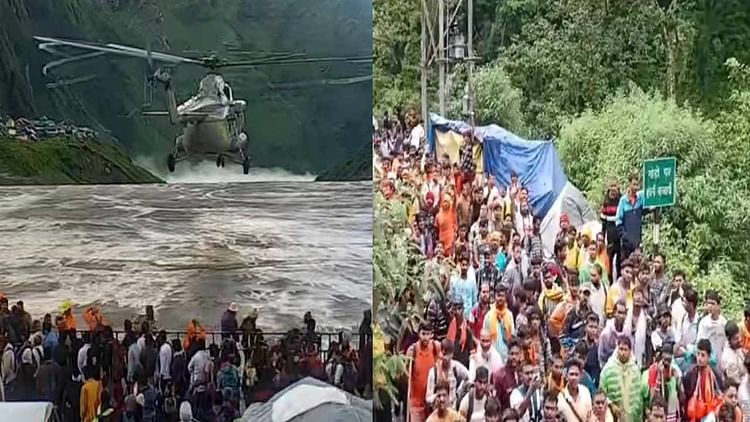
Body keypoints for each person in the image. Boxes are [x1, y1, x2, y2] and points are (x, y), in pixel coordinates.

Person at [599, 335, 643, 422]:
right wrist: (611, 404)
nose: (622, 352)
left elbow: (639, 396)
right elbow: (601, 393)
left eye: (625, 350)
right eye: (621, 349)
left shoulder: (635, 370)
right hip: (614, 416)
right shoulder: (608, 369)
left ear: (630, 351)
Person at [407, 322, 441, 422]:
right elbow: (405, 374)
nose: (426, 337)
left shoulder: (436, 347)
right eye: (423, 334)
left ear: (432, 335)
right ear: (419, 334)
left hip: (431, 403)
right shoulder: (413, 350)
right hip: (416, 404)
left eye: (428, 334)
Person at [425, 340, 470, 410]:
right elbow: (428, 398)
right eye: (443, 354)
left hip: (452, 410)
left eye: (448, 354)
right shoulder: (433, 371)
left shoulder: (456, 367)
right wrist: (438, 396)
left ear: (452, 354)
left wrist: (459, 392)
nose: (446, 358)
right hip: (437, 412)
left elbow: (469, 377)